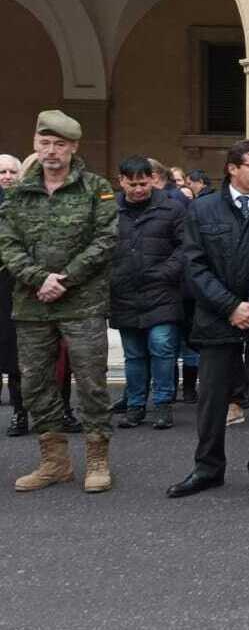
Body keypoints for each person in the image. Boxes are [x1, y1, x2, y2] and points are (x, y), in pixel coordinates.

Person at [167, 139, 249, 499]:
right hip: (217, 319)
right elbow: (194, 265)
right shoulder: (203, 210)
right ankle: (208, 468)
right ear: (232, 168)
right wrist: (230, 306)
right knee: (212, 398)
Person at [0, 111, 118, 493]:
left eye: (60, 145)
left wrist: (64, 279)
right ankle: (54, 461)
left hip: (82, 302)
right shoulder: (18, 193)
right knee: (34, 383)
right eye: (45, 143)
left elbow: (105, 240)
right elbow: (7, 243)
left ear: (73, 148)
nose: (52, 151)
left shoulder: (95, 188)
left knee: (91, 381)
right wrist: (39, 279)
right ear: (35, 145)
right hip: (32, 303)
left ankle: (97, 458)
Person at [110, 156, 186, 431]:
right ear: (121, 181)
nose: (138, 189)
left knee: (162, 349)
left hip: (162, 292)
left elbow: (185, 249)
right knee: (134, 355)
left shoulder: (172, 209)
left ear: (152, 180)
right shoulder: (109, 210)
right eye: (132, 184)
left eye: (143, 183)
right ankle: (135, 407)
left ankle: (163, 405)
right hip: (124, 293)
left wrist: (165, 273)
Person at [0, 153, 24, 436]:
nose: (7, 177)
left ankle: (20, 413)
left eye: (11, 172)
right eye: (2, 172)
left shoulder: (26, 205)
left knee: (17, 358)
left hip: (17, 290)